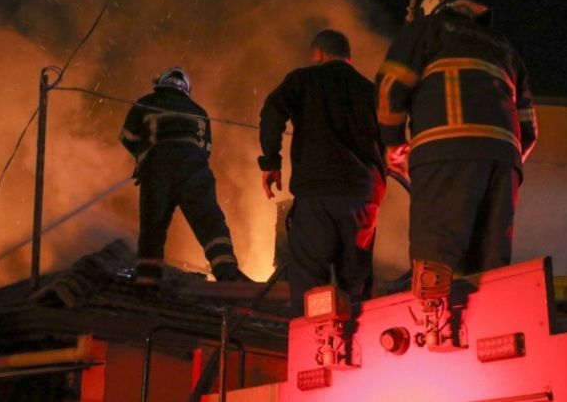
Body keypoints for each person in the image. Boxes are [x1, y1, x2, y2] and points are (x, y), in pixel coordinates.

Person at [376, 0, 538, 277]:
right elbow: (529, 129)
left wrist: (393, 142)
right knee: (491, 269)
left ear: (433, 10)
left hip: (445, 156)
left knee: (437, 262)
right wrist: (500, 160)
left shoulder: (428, 29)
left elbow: (390, 85)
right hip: (504, 165)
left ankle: (438, 308)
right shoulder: (503, 47)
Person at [258, 29, 387, 317]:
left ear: (318, 53)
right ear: (348, 57)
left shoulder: (304, 79)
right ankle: (360, 337)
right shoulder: (370, 91)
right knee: (356, 287)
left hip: (317, 195)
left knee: (309, 285)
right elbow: (391, 137)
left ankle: (312, 339)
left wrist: (271, 162)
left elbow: (271, 112)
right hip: (363, 200)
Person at [121, 66, 248, 286]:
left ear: (161, 83)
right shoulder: (199, 111)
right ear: (186, 89)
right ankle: (227, 274)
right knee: (210, 222)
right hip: (194, 170)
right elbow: (205, 149)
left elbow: (128, 137)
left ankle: (147, 280)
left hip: (156, 172)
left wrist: (144, 158)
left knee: (153, 228)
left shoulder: (146, 102)